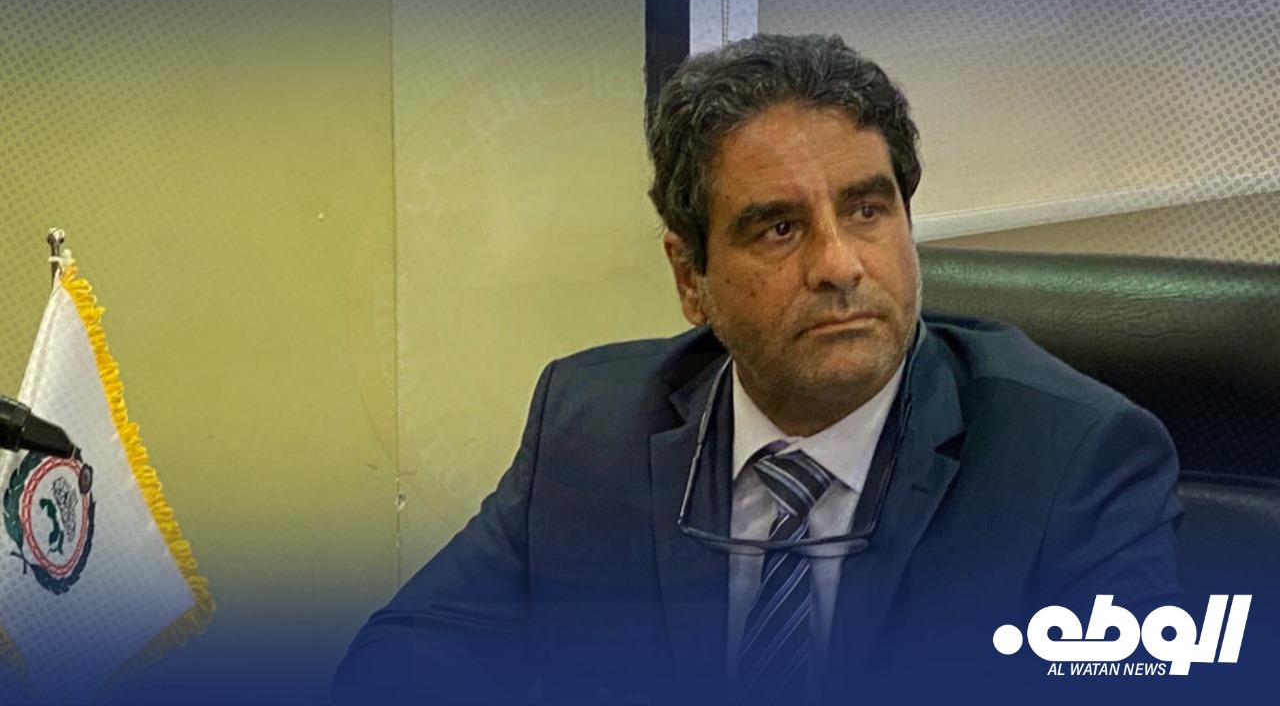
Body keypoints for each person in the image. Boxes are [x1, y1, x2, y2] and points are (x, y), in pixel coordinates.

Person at [333, 34, 1182, 705]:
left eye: (867, 209)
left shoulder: (1073, 461)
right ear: (689, 279)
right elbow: (409, 652)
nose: (840, 264)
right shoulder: (589, 423)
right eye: (778, 228)